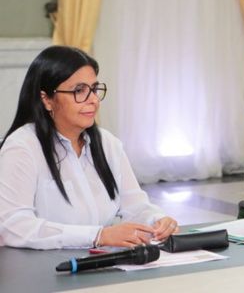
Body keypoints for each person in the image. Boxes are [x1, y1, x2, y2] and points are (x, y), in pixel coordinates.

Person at [0, 46, 178, 249]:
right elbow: (12, 226)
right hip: (41, 270)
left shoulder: (107, 143)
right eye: (79, 90)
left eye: (94, 89)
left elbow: (135, 206)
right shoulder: (22, 148)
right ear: (47, 99)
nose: (93, 100)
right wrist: (98, 236)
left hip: (99, 264)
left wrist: (158, 221)